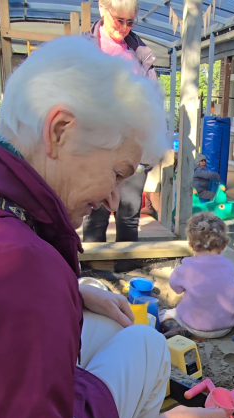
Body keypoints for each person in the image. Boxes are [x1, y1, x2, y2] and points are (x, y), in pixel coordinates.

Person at [0, 37, 227, 418]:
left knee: (100, 302)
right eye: (118, 173)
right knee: (148, 342)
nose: (116, 200)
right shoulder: (16, 269)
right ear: (60, 131)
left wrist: (72, 293)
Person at [82, 0, 158, 244]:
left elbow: (152, 102)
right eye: (119, 20)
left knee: (128, 215)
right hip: (96, 149)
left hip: (132, 146)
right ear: (103, 10)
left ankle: (129, 271)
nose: (124, 27)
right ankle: (93, 274)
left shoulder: (140, 53)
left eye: (130, 22)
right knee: (95, 215)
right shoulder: (83, 48)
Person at [160, 212, 234, 339]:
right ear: (224, 245)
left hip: (194, 326)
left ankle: (176, 329)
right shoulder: (229, 265)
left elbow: (175, 287)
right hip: (226, 327)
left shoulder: (189, 266)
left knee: (165, 313)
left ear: (191, 245)